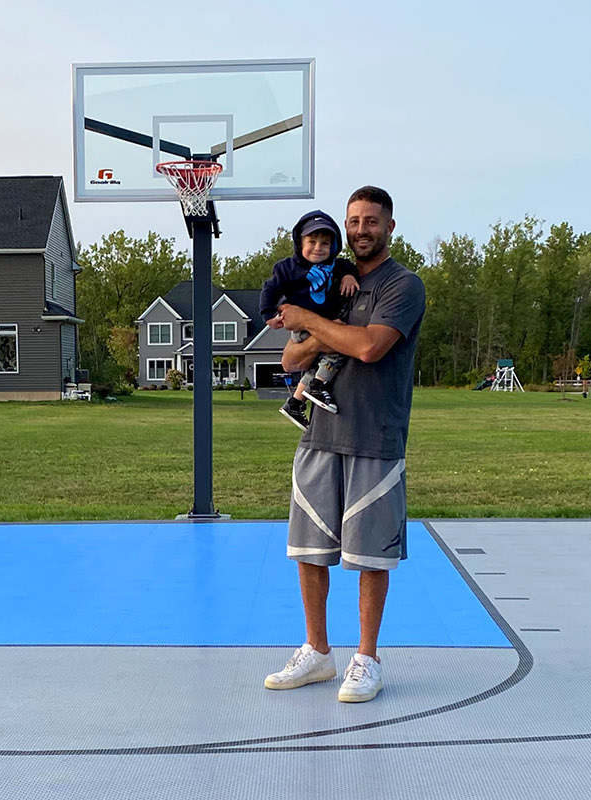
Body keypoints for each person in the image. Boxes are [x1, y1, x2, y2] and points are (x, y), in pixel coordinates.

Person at [261, 186, 425, 703]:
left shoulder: (403, 285)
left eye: (371, 221)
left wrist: (309, 322)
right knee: (308, 549)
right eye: (353, 221)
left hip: (375, 436)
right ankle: (317, 653)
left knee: (370, 554)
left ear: (390, 226)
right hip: (320, 435)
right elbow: (290, 362)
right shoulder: (332, 284)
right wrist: (320, 326)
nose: (360, 230)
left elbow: (370, 346)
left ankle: (367, 659)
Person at [260, 210, 359, 429]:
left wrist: (349, 276)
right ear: (299, 242)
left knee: (315, 365)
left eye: (325, 243)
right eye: (312, 241)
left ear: (333, 246)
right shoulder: (288, 268)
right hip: (303, 324)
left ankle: (295, 404)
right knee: (339, 349)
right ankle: (318, 387)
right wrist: (268, 314)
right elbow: (271, 288)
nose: (318, 247)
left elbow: (350, 267)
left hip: (325, 322)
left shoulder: (337, 265)